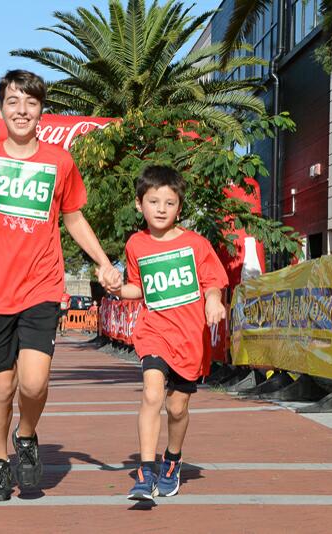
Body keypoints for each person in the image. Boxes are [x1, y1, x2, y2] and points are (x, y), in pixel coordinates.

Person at [0, 69, 121, 501]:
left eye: (30, 102)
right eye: (13, 101)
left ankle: (25, 437)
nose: (21, 110)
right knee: (1, 386)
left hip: (43, 286)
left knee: (34, 383)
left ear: (41, 110)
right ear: (1, 108)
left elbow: (74, 218)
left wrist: (103, 263)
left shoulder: (59, 162)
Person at [108, 165, 228, 501]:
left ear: (179, 207)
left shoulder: (196, 244)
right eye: (153, 201)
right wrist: (118, 289)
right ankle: (146, 472)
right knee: (151, 394)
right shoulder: (136, 244)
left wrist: (214, 302)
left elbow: (213, 282)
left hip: (189, 339)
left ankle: (172, 461)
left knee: (177, 409)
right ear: (139, 204)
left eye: (170, 202)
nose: (161, 209)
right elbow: (138, 289)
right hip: (153, 331)